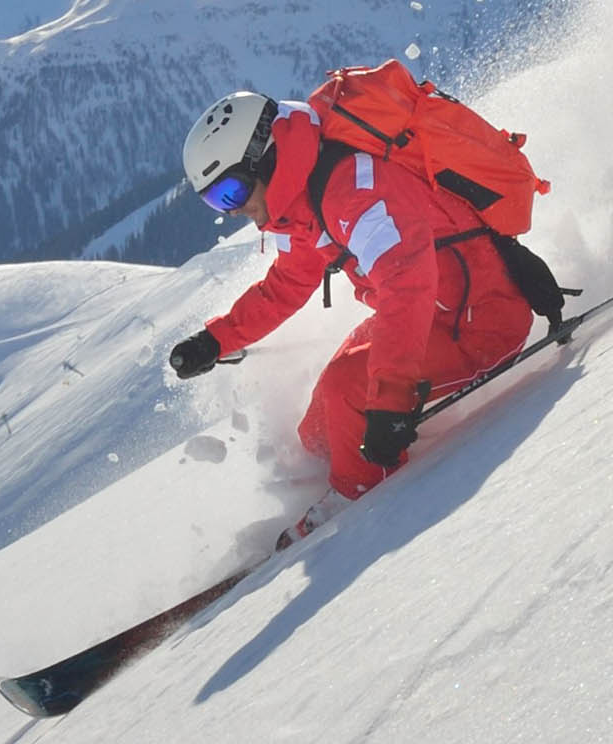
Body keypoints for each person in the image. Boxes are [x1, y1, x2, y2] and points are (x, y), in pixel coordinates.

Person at [161, 84, 536, 500]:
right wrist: (216, 340)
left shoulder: (354, 191)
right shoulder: (305, 197)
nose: (233, 210)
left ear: (265, 158)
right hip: (428, 314)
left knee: (348, 391)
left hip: (479, 319)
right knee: (318, 430)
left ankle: (363, 509)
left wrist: (390, 401)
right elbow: (287, 284)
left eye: (231, 191)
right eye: (216, 202)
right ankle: (344, 480)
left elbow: (406, 283)